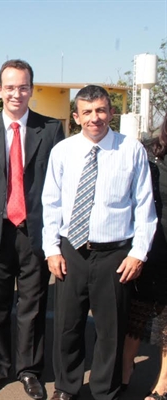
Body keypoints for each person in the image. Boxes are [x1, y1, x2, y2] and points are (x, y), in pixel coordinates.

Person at [42, 85, 157, 400]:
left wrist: (138, 254)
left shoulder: (130, 150)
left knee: (111, 329)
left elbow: (145, 207)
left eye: (101, 110)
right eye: (88, 112)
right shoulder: (62, 151)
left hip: (115, 254)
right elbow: (50, 204)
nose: (95, 118)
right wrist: (51, 249)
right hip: (71, 251)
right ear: (76, 116)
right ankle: (66, 386)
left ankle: (106, 390)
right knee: (68, 325)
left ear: (111, 112)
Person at [0, 59, 64, 399]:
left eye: (23, 86)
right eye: (9, 87)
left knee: (32, 305)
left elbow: (59, 185)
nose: (16, 93)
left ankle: (29, 370)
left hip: (35, 232)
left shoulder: (51, 130)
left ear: (31, 89)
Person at [122, 116, 167, 400]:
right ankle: (125, 369)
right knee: (134, 315)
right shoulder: (148, 153)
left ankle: (163, 384)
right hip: (148, 245)